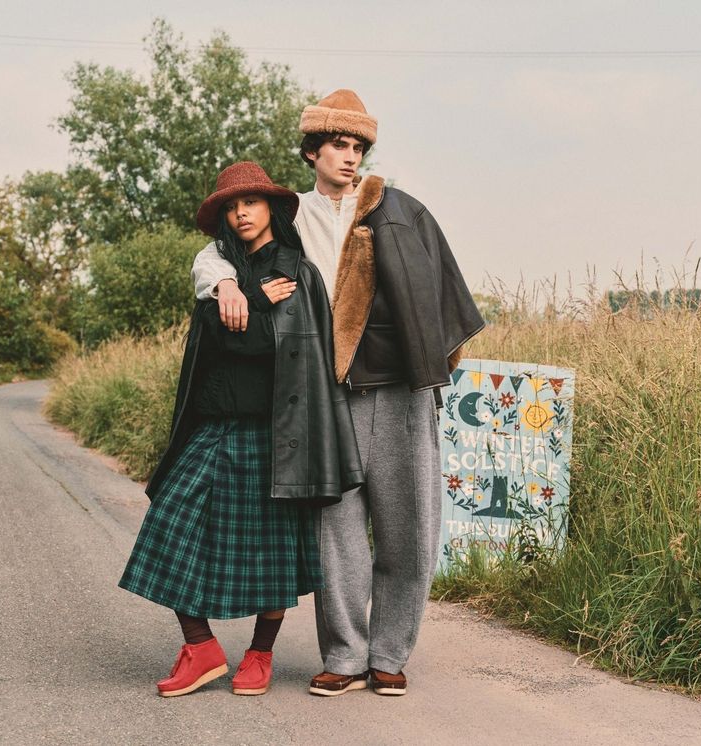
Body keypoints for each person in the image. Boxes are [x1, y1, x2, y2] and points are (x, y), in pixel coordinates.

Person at [191, 90, 485, 696]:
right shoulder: (290, 216)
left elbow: (444, 288)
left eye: (358, 147)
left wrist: (434, 364)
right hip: (322, 392)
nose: (350, 157)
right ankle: (346, 657)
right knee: (337, 533)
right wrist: (225, 284)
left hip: (399, 389)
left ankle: (390, 654)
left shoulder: (399, 210)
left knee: (409, 527)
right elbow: (215, 251)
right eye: (338, 145)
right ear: (312, 152)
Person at [120, 161, 364, 698]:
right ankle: (202, 647)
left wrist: (238, 313)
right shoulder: (220, 268)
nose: (240, 213)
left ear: (270, 207)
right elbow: (211, 332)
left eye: (249, 202)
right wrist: (242, 298)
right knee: (169, 524)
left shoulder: (294, 271)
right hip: (214, 425)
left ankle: (260, 654)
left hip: (274, 433)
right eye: (231, 207)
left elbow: (257, 345)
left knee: (272, 553)